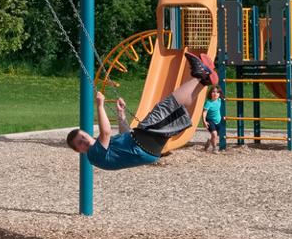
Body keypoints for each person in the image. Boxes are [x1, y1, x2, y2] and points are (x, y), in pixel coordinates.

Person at [67, 51, 216, 169]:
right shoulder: (94, 154)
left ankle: (203, 81)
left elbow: (125, 135)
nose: (84, 141)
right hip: (142, 144)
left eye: (82, 136)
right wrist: (100, 105)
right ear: (78, 151)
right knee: (165, 107)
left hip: (147, 147)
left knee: (174, 110)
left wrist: (121, 115)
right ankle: (199, 75)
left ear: (87, 134)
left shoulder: (104, 149)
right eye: (79, 143)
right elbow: (105, 132)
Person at [201, 86, 225, 153]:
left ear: (219, 94)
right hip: (210, 121)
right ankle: (214, 149)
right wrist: (204, 121)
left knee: (215, 136)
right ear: (210, 93)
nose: (215, 93)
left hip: (218, 121)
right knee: (214, 134)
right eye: (213, 92)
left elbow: (224, 98)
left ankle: (209, 142)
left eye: (217, 92)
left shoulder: (219, 100)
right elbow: (204, 112)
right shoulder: (208, 102)